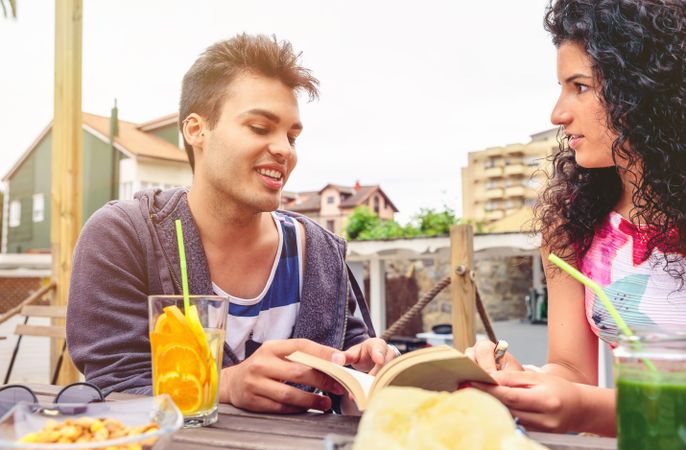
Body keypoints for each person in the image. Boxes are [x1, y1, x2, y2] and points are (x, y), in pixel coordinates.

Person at [67, 34, 397, 414]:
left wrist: (369, 375)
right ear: (196, 130)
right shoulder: (124, 236)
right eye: (260, 128)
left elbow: (352, 373)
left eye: (292, 136)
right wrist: (226, 384)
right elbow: (112, 386)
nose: (285, 150)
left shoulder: (321, 251)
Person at [467, 0, 686, 435]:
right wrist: (522, 379)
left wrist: (590, 410)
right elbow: (572, 372)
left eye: (580, 87)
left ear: (644, 90)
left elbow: (587, 400)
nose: (557, 113)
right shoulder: (571, 226)